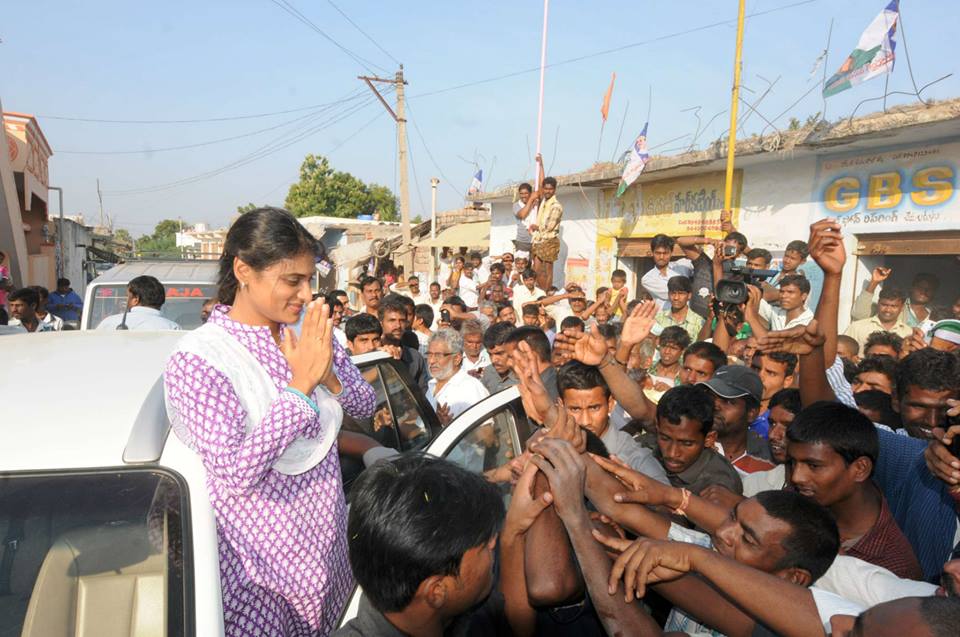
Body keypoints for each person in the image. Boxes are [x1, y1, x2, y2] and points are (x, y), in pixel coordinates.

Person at [164, 207, 376, 635]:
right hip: (258, 578)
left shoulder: (310, 330)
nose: (305, 294)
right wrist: (300, 387)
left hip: (327, 560)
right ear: (243, 269)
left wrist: (327, 371)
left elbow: (365, 404)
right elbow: (236, 471)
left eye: (310, 279)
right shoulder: (201, 359)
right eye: (292, 280)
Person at [335, 454, 507, 637]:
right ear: (437, 592)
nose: (493, 541)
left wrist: (514, 534)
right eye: (484, 543)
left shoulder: (453, 613)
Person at [786, 401, 923, 580]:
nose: (797, 477)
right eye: (792, 463)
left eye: (813, 465)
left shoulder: (893, 566)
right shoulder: (796, 501)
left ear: (860, 469)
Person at [655, 384, 742, 496]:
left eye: (687, 443)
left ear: (709, 439)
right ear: (657, 428)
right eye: (665, 438)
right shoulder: (646, 447)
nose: (672, 453)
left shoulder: (719, 484)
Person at [698, 365, 774, 474]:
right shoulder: (688, 445)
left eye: (727, 401)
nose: (715, 406)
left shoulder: (769, 461)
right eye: (711, 397)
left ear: (751, 413)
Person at [425, 328, 489, 425]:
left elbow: (487, 436)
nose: (431, 361)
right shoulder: (432, 386)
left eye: (438, 355)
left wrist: (450, 425)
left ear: (457, 359)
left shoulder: (471, 388)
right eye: (429, 355)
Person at [852, 268, 939, 332]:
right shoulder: (894, 306)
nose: (924, 292)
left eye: (929, 289)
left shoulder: (934, 314)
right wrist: (874, 282)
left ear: (934, 292)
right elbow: (859, 315)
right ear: (912, 288)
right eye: (920, 287)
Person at [378, 295, 430, 394]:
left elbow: (422, 394)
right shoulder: (370, 354)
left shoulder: (415, 358)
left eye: (402, 321)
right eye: (392, 320)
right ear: (381, 323)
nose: (398, 326)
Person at [96, 275, 181, 330]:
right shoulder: (172, 328)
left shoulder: (109, 323)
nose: (126, 300)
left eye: (127, 296)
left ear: (135, 299)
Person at [845, 283, 913, 351]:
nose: (888, 310)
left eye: (893, 306)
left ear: (902, 308)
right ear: (878, 303)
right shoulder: (857, 327)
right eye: (884, 305)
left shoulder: (908, 333)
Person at [748, 350, 798, 439]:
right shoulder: (729, 404)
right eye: (755, 368)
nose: (760, 376)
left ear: (787, 381)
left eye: (771, 373)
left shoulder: (789, 422)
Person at [748, 273, 814, 336]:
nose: (784, 296)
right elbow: (755, 299)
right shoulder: (776, 312)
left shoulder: (810, 320)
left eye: (790, 292)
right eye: (782, 291)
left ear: (803, 296)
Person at [641, 234, 693, 308]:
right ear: (652, 253)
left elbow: (701, 268)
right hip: (664, 318)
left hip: (688, 317)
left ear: (671, 253)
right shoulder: (648, 279)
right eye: (658, 253)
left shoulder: (683, 265)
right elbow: (672, 294)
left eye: (665, 253)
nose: (661, 257)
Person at [530, 175, 563, 291]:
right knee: (536, 270)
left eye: (550, 189)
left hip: (549, 241)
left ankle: (546, 293)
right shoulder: (544, 203)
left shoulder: (556, 206)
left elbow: (549, 227)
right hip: (539, 240)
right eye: (546, 188)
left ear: (554, 190)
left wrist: (536, 227)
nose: (548, 191)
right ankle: (541, 291)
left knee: (546, 271)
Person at [653, 275, 704, 342]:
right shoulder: (658, 319)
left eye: (681, 293)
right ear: (668, 295)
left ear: (689, 295)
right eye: (673, 293)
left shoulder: (699, 322)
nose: (676, 298)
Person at [648, 325, 690, 391]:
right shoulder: (647, 367)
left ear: (683, 350)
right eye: (664, 346)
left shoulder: (685, 377)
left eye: (673, 348)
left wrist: (670, 391)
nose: (667, 352)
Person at [481, 322, 518, 394]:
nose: (493, 360)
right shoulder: (488, 372)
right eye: (490, 354)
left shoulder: (529, 375)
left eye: (499, 353)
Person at [513, 181, 537, 256]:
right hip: (522, 242)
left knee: (535, 267)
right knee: (522, 266)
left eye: (526, 193)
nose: (523, 196)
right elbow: (522, 215)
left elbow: (540, 187)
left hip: (536, 240)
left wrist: (541, 168)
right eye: (521, 193)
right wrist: (531, 200)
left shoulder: (536, 204)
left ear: (530, 193)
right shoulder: (516, 205)